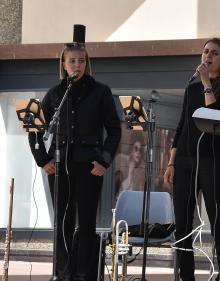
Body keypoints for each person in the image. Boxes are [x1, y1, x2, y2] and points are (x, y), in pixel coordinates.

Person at [28, 39, 121, 280]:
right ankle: (63, 273)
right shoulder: (54, 93)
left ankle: (84, 274)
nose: (77, 65)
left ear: (87, 63)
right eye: (72, 61)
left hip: (90, 167)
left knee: (87, 223)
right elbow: (34, 128)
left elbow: (114, 130)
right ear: (64, 64)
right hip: (59, 166)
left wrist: (105, 160)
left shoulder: (101, 91)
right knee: (62, 223)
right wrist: (42, 160)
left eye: (81, 60)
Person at [163, 38, 220, 281]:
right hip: (185, 161)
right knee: (183, 225)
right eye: (205, 51)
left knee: (218, 223)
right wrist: (171, 162)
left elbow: (214, 116)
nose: (207, 56)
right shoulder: (191, 89)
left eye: (214, 53)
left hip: (213, 161)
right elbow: (182, 126)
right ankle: (186, 277)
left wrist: (207, 81)